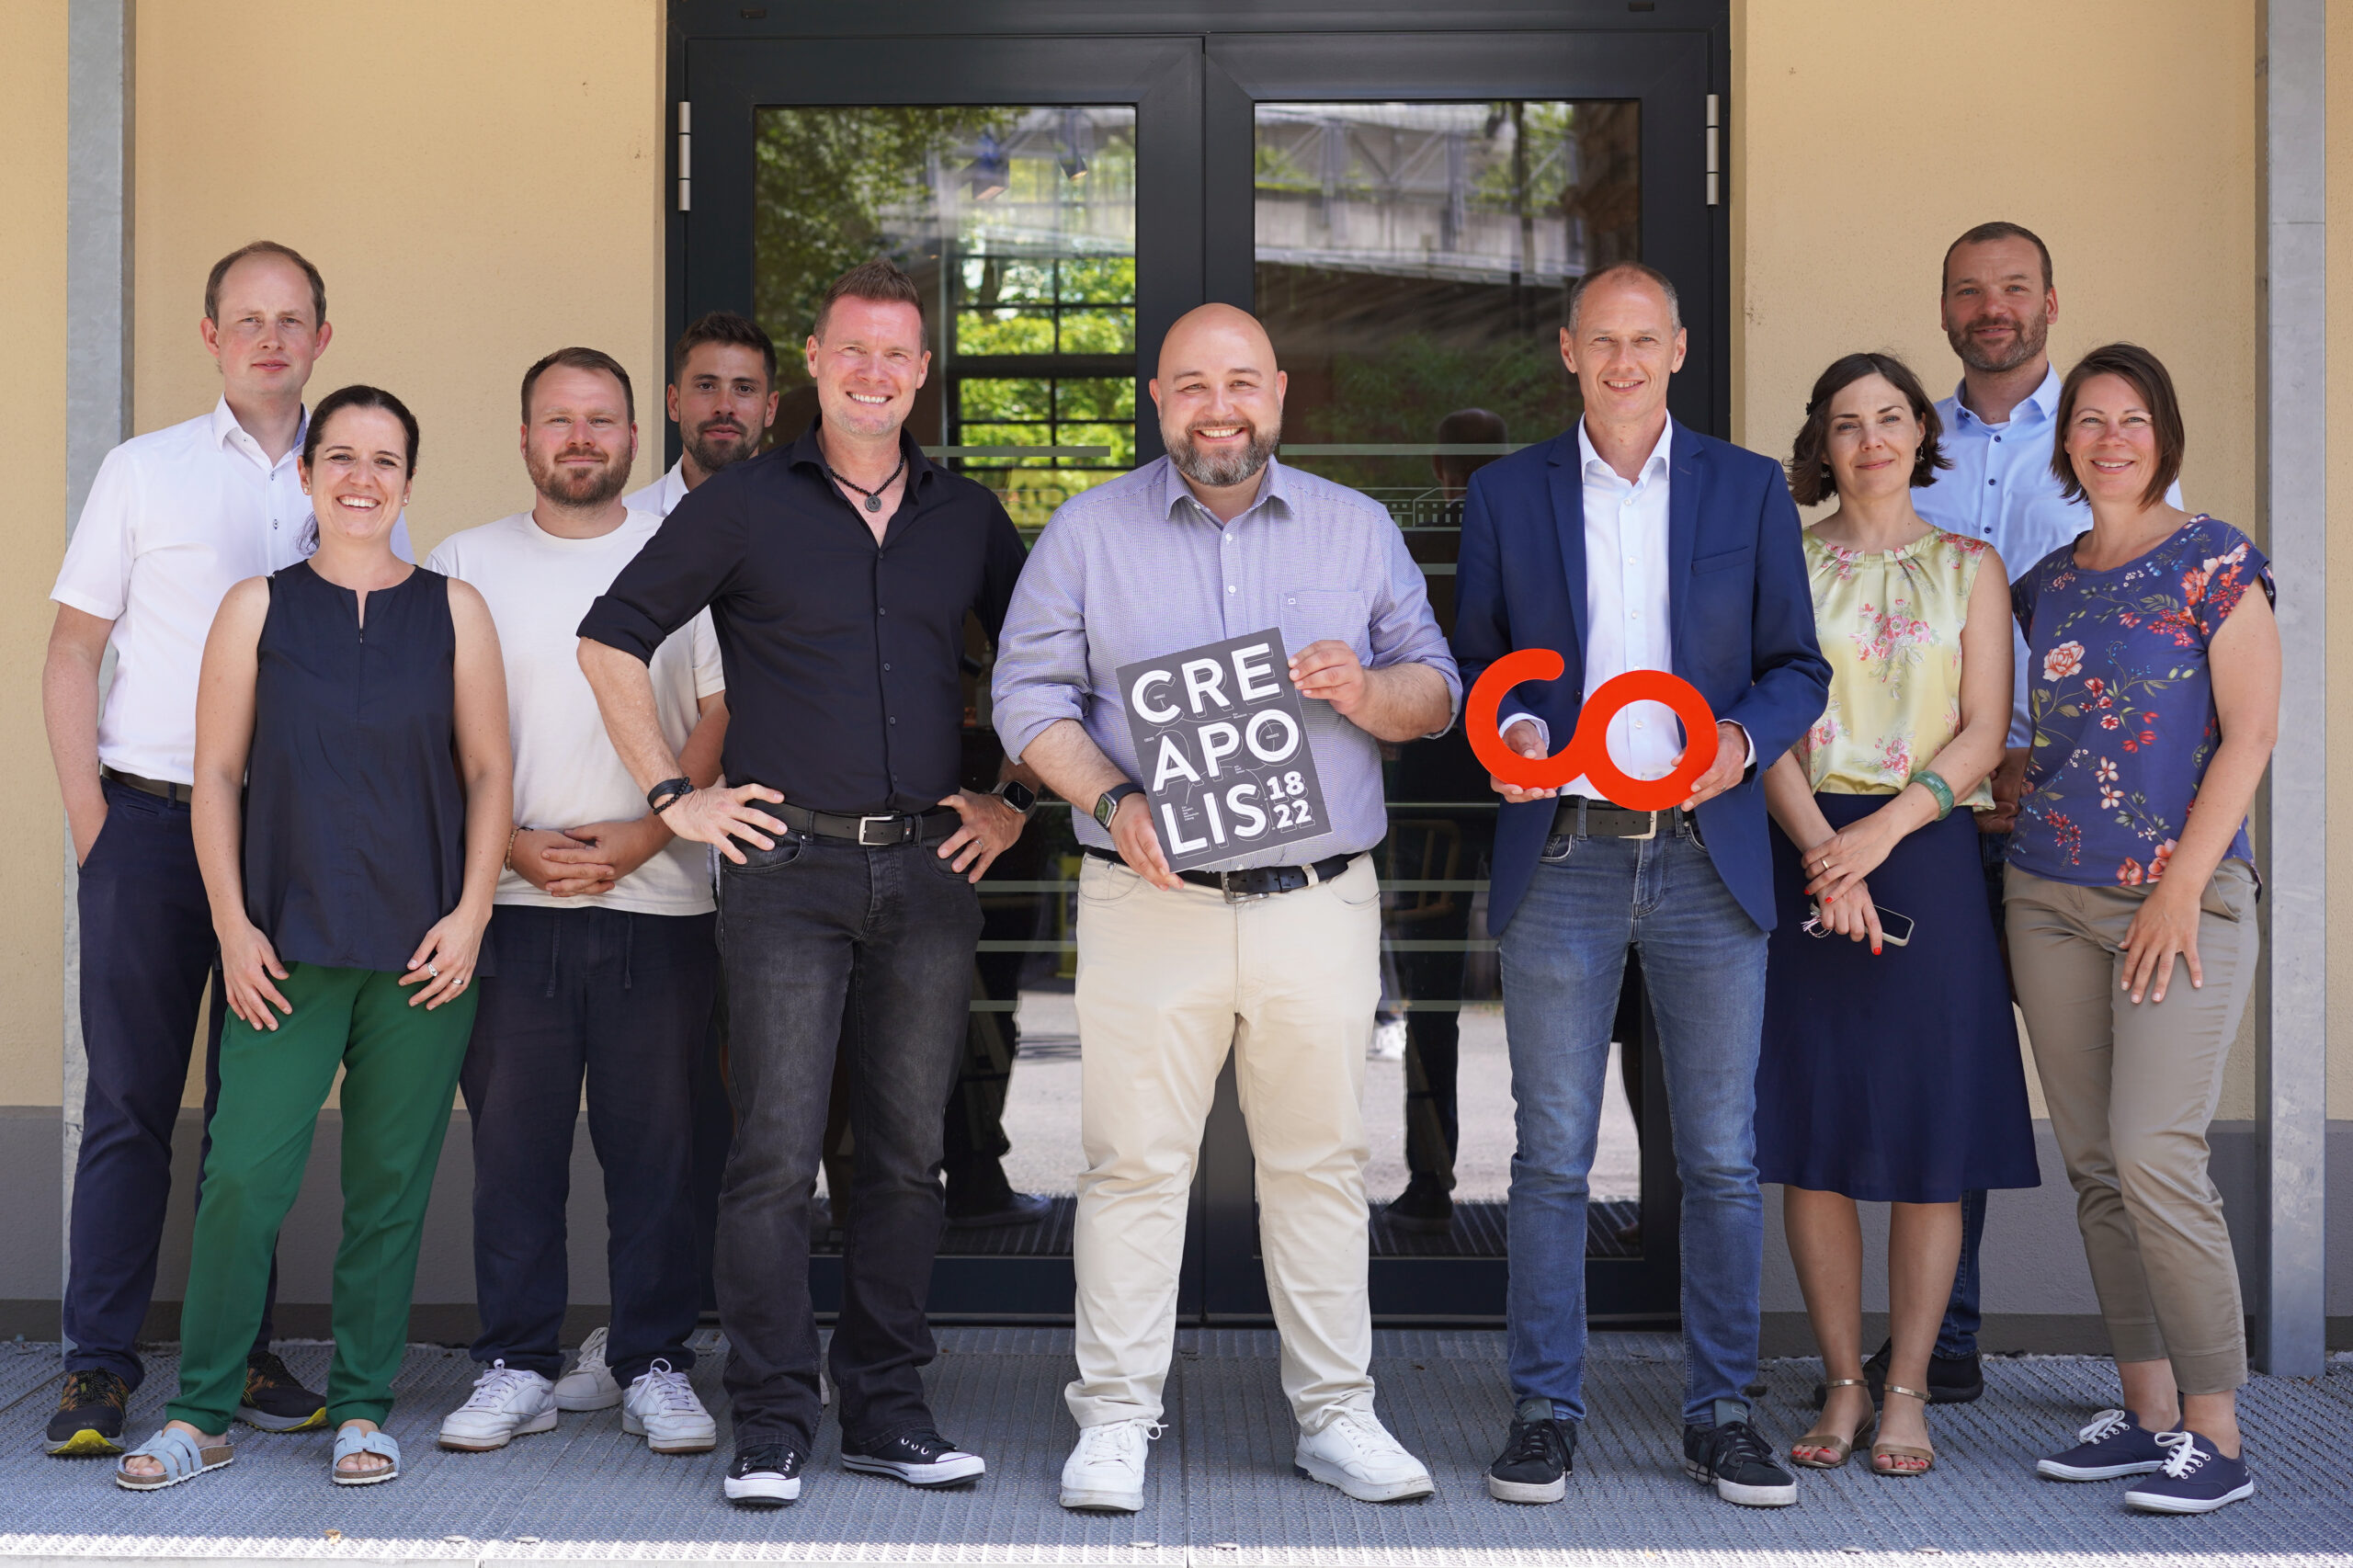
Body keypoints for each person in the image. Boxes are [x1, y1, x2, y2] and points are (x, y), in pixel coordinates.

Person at [579, 259, 1035, 1509]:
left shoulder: (968, 515)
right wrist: (676, 795)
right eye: (852, 351)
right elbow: (610, 635)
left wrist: (1017, 797)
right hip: (785, 870)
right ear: (815, 369)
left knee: (902, 1158)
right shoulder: (745, 506)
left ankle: (888, 1406)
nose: (875, 373)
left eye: (898, 354)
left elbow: (1048, 665)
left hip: (929, 872)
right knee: (774, 1158)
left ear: (921, 372)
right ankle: (773, 1418)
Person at [993, 302, 1460, 1514]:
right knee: (1133, 1165)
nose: (1220, 406)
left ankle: (1337, 1414)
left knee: (1318, 1162)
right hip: (1148, 896)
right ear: (1159, 400)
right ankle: (1113, 1418)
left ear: (1280, 394)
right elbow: (1025, 694)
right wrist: (1106, 791)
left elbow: (1439, 693)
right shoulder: (1088, 534)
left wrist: (1367, 689)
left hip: (1316, 899)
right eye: (1194, 384)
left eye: (1242, 381)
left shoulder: (1356, 533)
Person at [1452, 260, 1830, 1509]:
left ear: (1677, 348)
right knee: (1552, 1154)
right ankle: (1545, 1405)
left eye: (1644, 340)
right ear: (1568, 350)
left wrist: (1740, 738)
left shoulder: (1745, 486)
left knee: (1721, 1155)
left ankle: (1720, 1408)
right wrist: (1496, 744)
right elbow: (1480, 665)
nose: (1623, 361)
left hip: (1706, 852)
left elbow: (1797, 667)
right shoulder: (1508, 493)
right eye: (1600, 340)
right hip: (1561, 847)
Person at [43, 242, 415, 1455]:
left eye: (291, 318)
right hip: (149, 828)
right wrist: (96, 827)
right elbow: (67, 653)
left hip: (290, 845)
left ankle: (239, 1351)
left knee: (253, 1109)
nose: (269, 337)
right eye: (246, 319)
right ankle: (97, 1366)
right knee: (133, 1106)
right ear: (210, 334)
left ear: (321, 333)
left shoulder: (348, 474)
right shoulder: (143, 473)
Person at [113, 385, 511, 1490]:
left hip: (423, 953)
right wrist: (233, 925)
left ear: (409, 481)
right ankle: (200, 1409)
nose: (361, 477)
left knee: (390, 1189)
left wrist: (473, 912)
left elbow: (487, 771)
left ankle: (362, 1405)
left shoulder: (454, 611)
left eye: (386, 458)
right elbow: (216, 776)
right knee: (244, 1176)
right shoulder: (256, 607)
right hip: (280, 949)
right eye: (340, 455)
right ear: (307, 475)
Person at [427, 348, 731, 1457]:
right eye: (558, 419)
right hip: (507, 902)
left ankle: (653, 1358)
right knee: (514, 1151)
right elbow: (436, 728)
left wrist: (656, 825)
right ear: (523, 438)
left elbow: (715, 709)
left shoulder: (681, 551)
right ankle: (517, 1362)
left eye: (601, 420)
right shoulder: (465, 560)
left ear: (633, 439)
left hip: (658, 903)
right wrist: (505, 842)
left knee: (658, 1153)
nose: (580, 438)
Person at [1906, 222, 2185, 1403]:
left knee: (2119, 1118)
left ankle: (2163, 1374)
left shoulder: (2107, 434)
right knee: (1955, 1075)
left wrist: (2035, 756)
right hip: (1938, 815)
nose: (1992, 306)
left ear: (2051, 301)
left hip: (2081, 825)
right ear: (1944, 309)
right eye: (1969, 290)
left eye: (2013, 287)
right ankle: (1948, 1340)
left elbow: (2158, 637)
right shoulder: (1905, 437)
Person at [1758, 351, 2038, 1479]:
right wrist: (1825, 849)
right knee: (1814, 1134)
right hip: (1797, 841)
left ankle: (1911, 1387)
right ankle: (1840, 1381)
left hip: (1923, 850)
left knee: (1930, 1139)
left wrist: (1876, 837)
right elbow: (1761, 715)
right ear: (1819, 445)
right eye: (1844, 422)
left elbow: (1983, 727)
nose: (1869, 438)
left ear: (1921, 430)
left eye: (1888, 416)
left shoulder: (1971, 564)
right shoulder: (1782, 558)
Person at [2008, 344, 2277, 1515]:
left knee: (2157, 1152)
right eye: (2088, 419)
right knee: (2095, 1164)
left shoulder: (2215, 560)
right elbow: (2044, 738)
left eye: (2131, 418)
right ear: (2063, 440)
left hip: (2184, 899)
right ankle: (2147, 1407)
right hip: (2047, 895)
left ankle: (2216, 1432)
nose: (2109, 436)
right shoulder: (2046, 580)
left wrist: (2179, 887)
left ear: (2163, 432)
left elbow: (2250, 734)